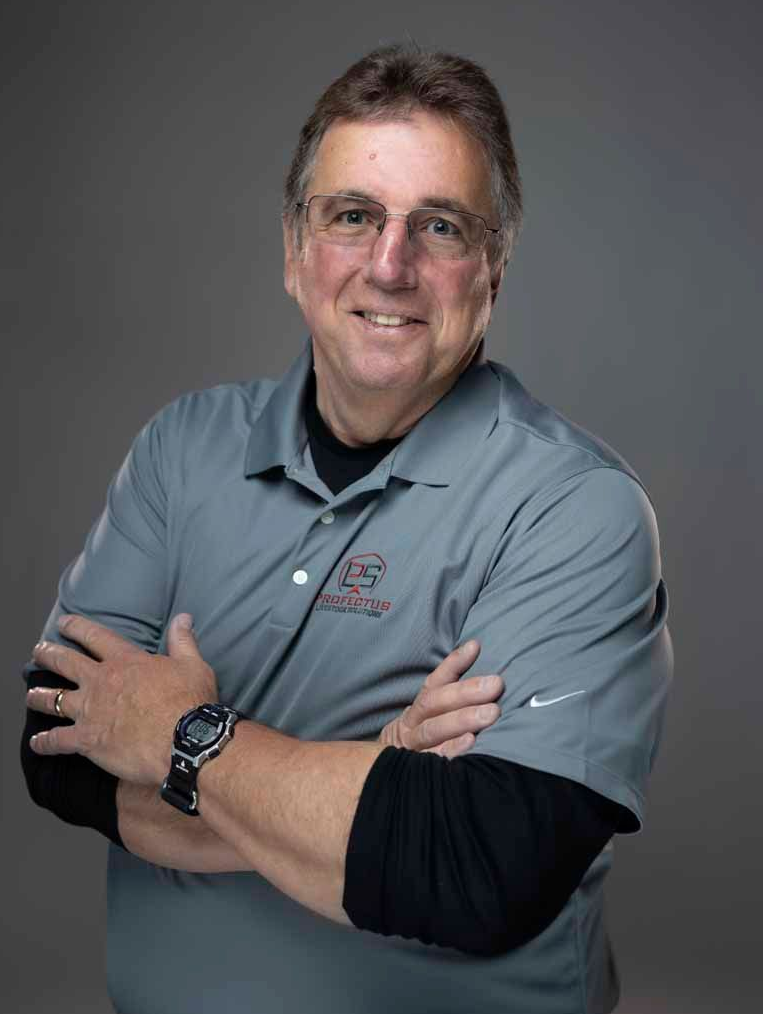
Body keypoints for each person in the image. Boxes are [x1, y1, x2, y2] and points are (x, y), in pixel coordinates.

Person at [21, 41, 673, 1014]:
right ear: (294, 250)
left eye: (440, 226)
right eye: (352, 216)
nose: (389, 264)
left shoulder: (575, 508)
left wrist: (179, 737)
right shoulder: (181, 448)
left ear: (493, 267)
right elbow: (57, 744)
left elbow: (476, 871)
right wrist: (378, 771)